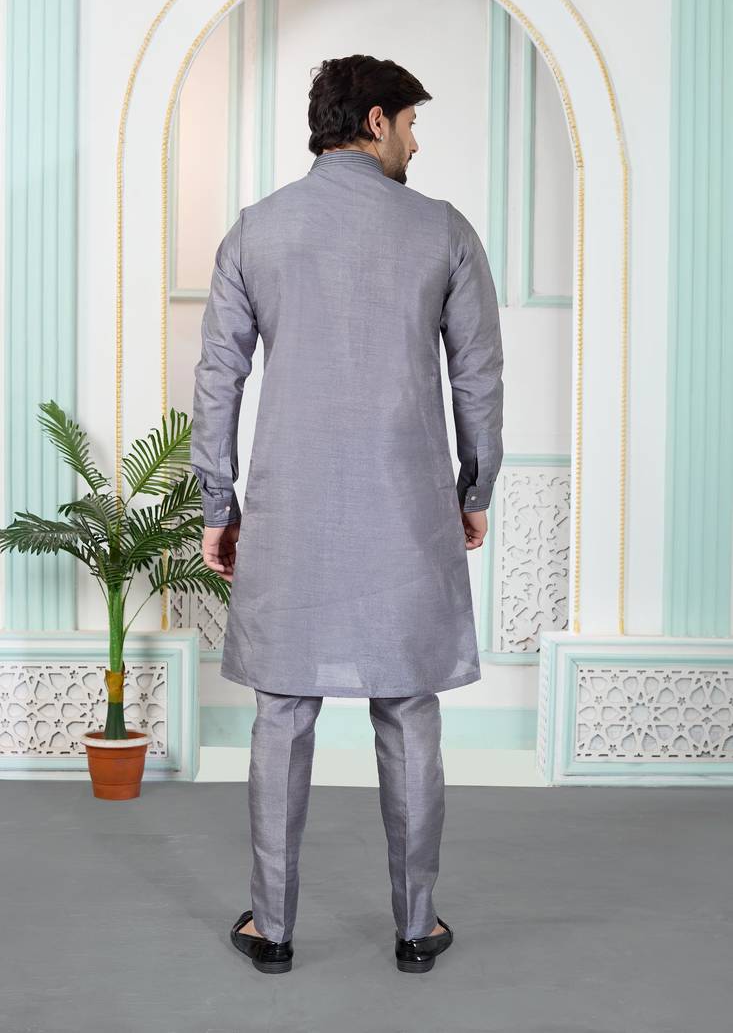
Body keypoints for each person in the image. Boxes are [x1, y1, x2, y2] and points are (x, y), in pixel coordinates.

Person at [190, 54, 504, 974]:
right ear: (374, 122)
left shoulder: (255, 230)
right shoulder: (442, 230)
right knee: (406, 709)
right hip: (409, 512)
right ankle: (416, 928)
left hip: (289, 514)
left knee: (282, 712)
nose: (414, 143)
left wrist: (217, 503)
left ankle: (272, 929)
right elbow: (477, 379)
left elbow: (218, 380)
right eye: (410, 124)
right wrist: (473, 491)